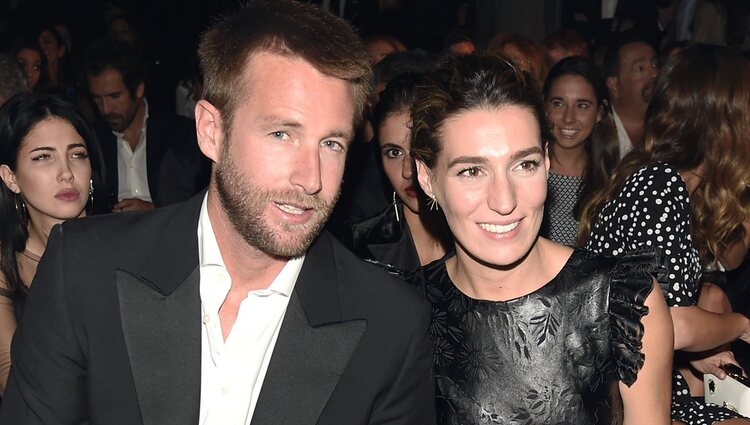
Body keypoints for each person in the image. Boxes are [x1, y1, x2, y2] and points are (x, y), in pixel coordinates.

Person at [0, 1, 435, 424]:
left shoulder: (391, 326)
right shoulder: (82, 270)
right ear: (211, 131)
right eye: (282, 133)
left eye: (331, 143)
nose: (312, 179)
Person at [408, 53, 673, 424]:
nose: (505, 201)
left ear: (547, 162)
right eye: (471, 170)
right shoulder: (404, 311)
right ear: (427, 178)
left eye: (524, 164)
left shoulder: (620, 301)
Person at [580, 45, 750, 424]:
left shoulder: (668, 181)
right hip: (614, 398)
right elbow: (670, 322)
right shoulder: (660, 185)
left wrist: (700, 352)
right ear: (725, 123)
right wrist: (741, 325)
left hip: (642, 383)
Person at [0, 92, 101, 395]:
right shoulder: (6, 262)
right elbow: (10, 374)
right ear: (10, 177)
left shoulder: (124, 245)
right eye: (43, 157)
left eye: (77, 154)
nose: (66, 173)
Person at [342, 73, 450, 270]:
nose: (408, 171)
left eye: (419, 149)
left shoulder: (481, 231)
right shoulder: (357, 247)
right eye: (394, 153)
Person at [83, 38, 206, 212]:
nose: (105, 109)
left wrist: (153, 211)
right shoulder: (93, 139)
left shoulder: (179, 134)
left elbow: (198, 205)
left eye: (114, 96)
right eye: (97, 98)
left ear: (138, 90)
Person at [539, 56, 619, 246]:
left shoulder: (613, 182)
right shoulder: (526, 172)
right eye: (558, 103)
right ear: (544, 106)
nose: (569, 118)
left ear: (600, 112)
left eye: (582, 105)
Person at [603, 36, 659, 157]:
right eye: (640, 68)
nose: (654, 74)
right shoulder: (597, 133)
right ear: (614, 85)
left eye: (655, 65)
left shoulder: (671, 125)